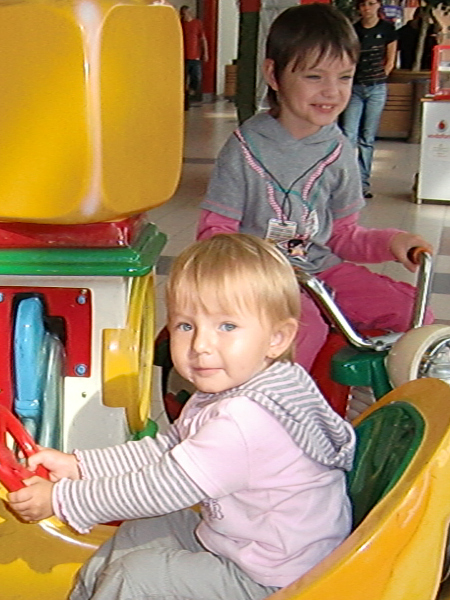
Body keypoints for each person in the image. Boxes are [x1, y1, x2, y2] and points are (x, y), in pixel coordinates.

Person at [8, 233, 356, 600]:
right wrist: (79, 466)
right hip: (245, 544)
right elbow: (165, 451)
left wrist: (61, 499)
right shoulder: (245, 386)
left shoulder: (246, 420)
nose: (201, 345)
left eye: (227, 326)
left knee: (138, 577)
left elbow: (160, 487)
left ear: (277, 338)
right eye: (186, 326)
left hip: (278, 581)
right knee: (143, 529)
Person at [198, 4, 433, 372]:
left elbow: (343, 236)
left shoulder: (340, 150)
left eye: (344, 77)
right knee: (303, 327)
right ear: (273, 75)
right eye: (313, 76)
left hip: (321, 272)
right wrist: (248, 274)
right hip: (262, 280)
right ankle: (283, 403)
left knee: (412, 309)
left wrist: (392, 242)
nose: (331, 91)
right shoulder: (244, 148)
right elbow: (215, 234)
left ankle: (358, 397)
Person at [340, 0, 398, 198]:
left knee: (367, 137)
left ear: (378, 6)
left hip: (376, 88)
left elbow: (390, 59)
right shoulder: (353, 30)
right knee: (349, 134)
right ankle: (347, 182)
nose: (367, 8)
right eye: (363, 4)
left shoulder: (387, 29)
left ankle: (363, 183)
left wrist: (382, 76)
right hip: (354, 89)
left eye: (371, 3)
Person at [180, 5, 208, 109]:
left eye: (186, 13)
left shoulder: (197, 23)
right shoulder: (180, 24)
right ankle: (185, 99)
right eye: (183, 14)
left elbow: (203, 39)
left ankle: (191, 93)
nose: (185, 15)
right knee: (183, 79)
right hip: (183, 57)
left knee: (196, 78)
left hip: (195, 56)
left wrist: (205, 53)